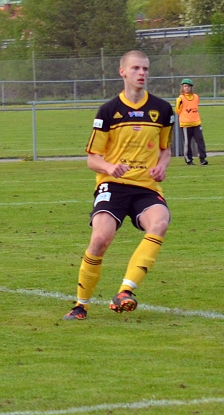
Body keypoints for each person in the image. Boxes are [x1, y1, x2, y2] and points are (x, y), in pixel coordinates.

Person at [63, 50, 174, 320]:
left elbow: (165, 149)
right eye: (136, 68)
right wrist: (109, 167)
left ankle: (125, 291)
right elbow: (92, 159)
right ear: (122, 72)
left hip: (146, 187)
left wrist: (162, 166)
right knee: (100, 239)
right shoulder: (109, 111)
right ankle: (81, 306)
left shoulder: (162, 110)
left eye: (146, 69)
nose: (142, 73)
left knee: (160, 221)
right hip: (112, 184)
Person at [174, 78, 207, 165]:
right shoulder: (180, 99)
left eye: (188, 86)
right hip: (186, 124)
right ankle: (189, 159)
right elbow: (177, 110)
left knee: (200, 140)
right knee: (187, 143)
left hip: (196, 122)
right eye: (185, 86)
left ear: (191, 88)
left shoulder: (196, 97)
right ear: (182, 88)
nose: (187, 88)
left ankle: (202, 159)